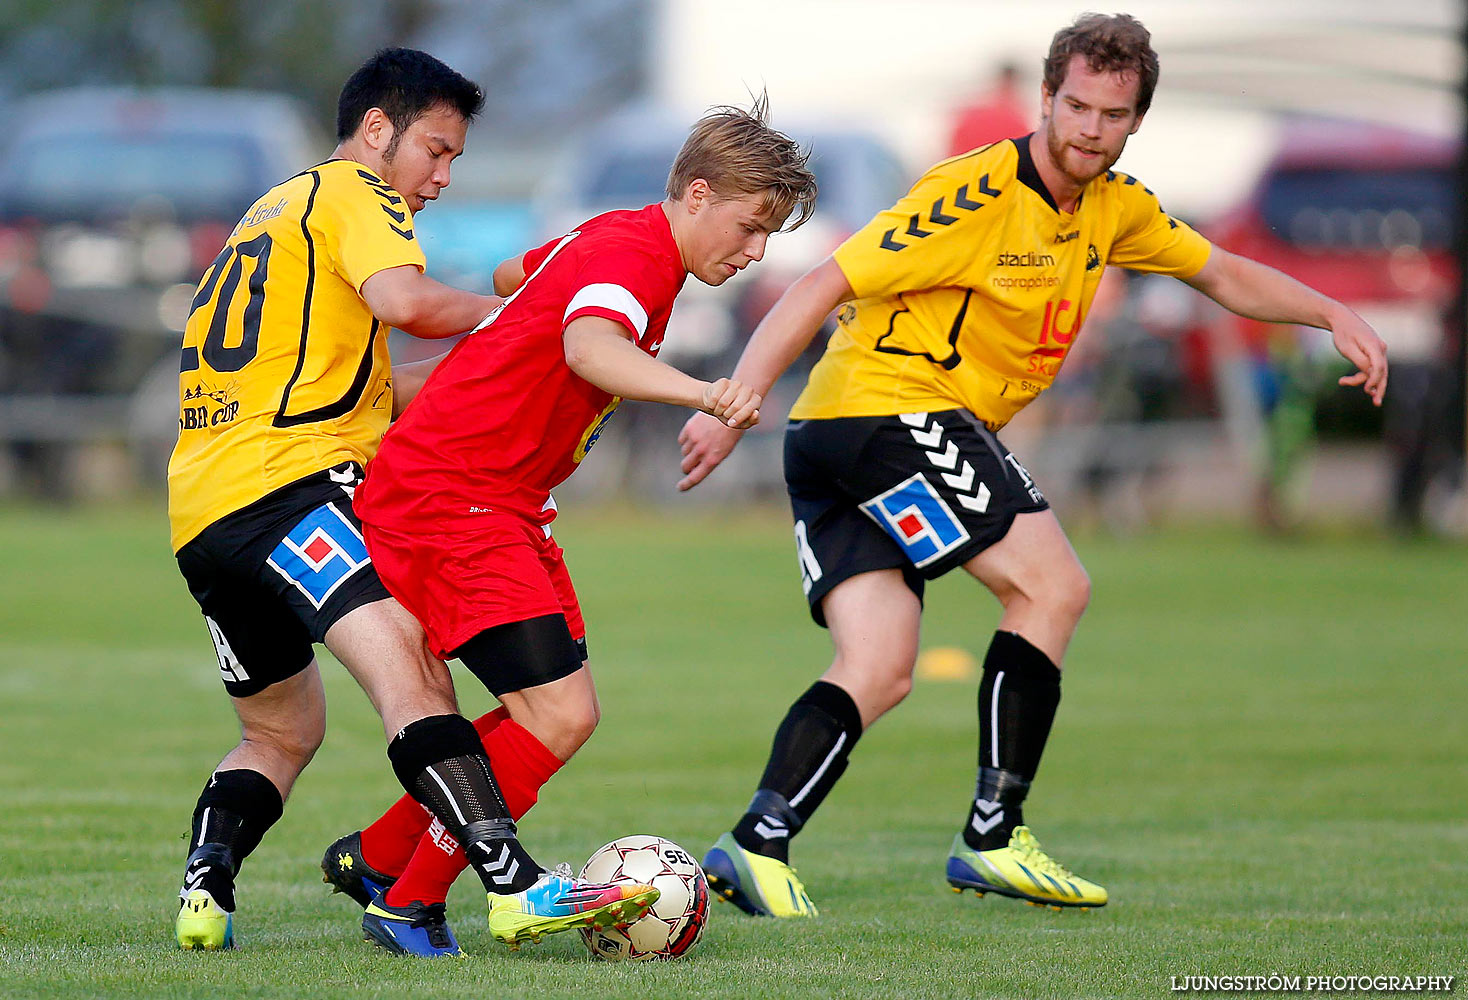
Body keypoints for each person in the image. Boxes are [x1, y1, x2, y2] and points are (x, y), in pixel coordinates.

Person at [676, 13, 1389, 917]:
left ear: (1136, 121)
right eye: (1076, 106)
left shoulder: (1118, 207)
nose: (1090, 129)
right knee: (1052, 586)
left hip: (843, 434)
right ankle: (994, 835)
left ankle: (754, 843)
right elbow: (824, 283)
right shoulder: (970, 194)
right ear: (1046, 99)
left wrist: (1334, 312)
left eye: (1112, 114)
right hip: (886, 408)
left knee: (883, 661)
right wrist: (735, 402)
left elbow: (1219, 274)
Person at [170, 48, 659, 955]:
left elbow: (369, 383)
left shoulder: (274, 208)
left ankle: (206, 892)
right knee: (415, 675)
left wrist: (499, 364)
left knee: (280, 731)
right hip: (291, 485)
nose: (439, 176)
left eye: (455, 161)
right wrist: (533, 314)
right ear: (377, 130)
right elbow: (410, 303)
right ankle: (510, 887)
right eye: (435, 150)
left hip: (202, 509)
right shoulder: (357, 190)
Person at [311, 96, 817, 954]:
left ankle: (381, 854)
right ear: (697, 195)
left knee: (561, 716)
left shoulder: (615, 237)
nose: (756, 250)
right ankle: (407, 904)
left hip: (500, 503)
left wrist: (516, 329)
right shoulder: (637, 258)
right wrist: (708, 393)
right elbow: (589, 347)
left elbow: (517, 275)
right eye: (749, 226)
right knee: (552, 714)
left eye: (769, 236)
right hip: (451, 498)